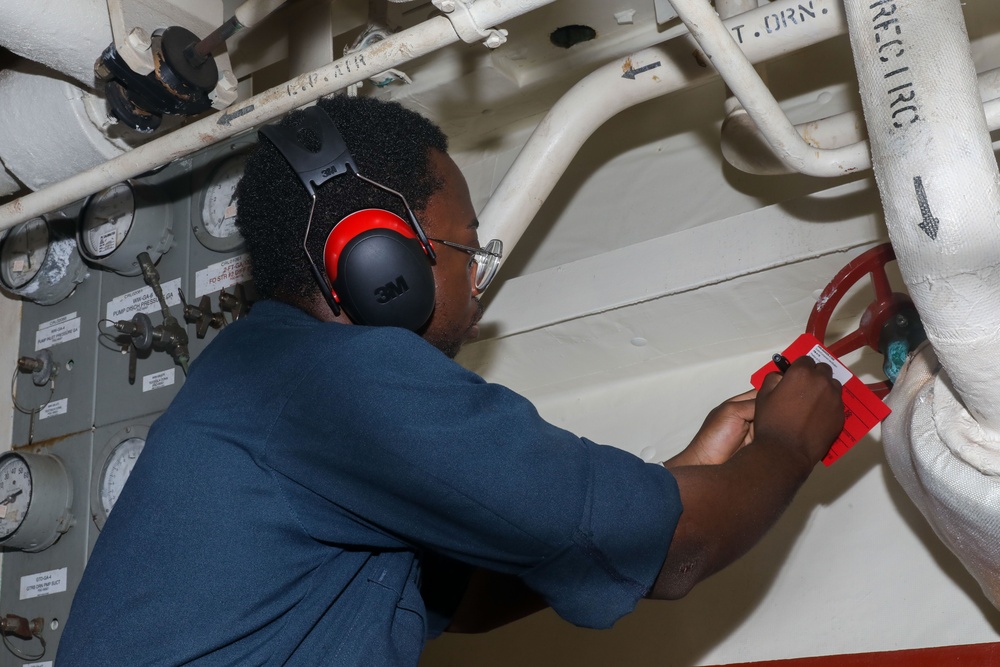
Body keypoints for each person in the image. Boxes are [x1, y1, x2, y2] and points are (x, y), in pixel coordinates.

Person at [58, 94, 844, 666]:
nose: (477, 281)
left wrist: (688, 472)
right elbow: (678, 557)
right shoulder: (336, 383)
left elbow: (460, 598)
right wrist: (787, 440)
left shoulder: (270, 378)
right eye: (469, 248)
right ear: (379, 261)